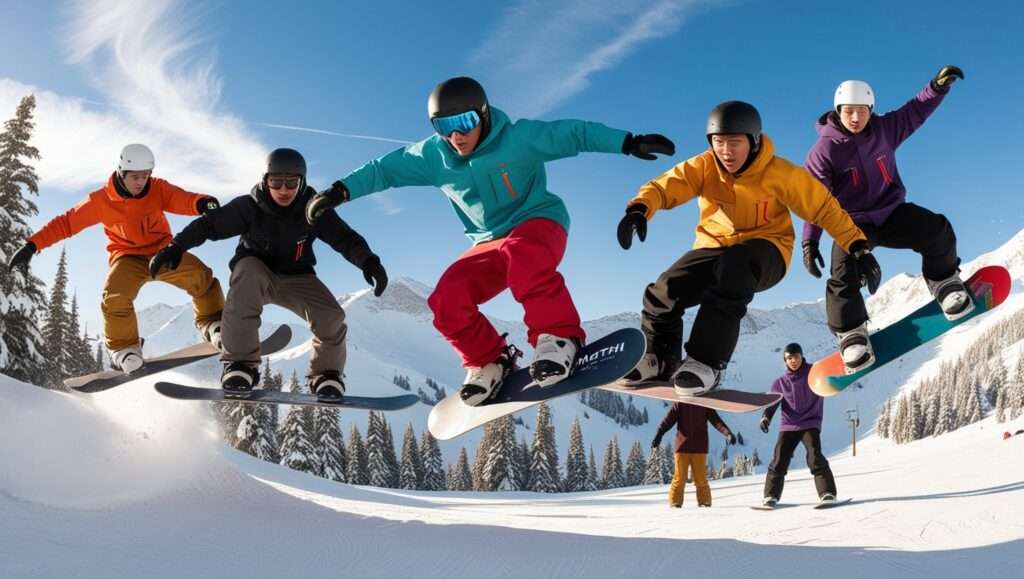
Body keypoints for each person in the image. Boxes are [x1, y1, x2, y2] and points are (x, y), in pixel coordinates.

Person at [305, 76, 675, 406]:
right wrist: (340, 191)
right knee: (446, 297)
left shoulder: (519, 138)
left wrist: (627, 142)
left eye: (464, 122)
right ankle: (487, 359)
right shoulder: (434, 156)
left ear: (482, 114)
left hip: (539, 222)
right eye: (443, 126)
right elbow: (384, 170)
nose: (456, 135)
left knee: (523, 257)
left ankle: (559, 337)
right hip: (487, 243)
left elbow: (573, 133)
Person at [617, 101, 878, 395]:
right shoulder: (704, 166)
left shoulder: (780, 173)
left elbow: (823, 207)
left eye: (734, 143)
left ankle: (705, 363)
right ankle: (659, 358)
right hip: (714, 246)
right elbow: (667, 185)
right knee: (666, 287)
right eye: (719, 143)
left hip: (767, 250)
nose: (726, 152)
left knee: (735, 265)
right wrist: (639, 209)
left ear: (753, 142)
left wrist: (857, 245)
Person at [149, 148, 388, 401]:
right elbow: (209, 225)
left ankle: (326, 376)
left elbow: (344, 238)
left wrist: (369, 262)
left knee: (331, 316)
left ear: (302, 182)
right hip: (256, 272)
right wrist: (176, 247)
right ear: (265, 181)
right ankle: (240, 366)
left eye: (291, 183)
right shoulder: (249, 206)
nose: (283, 190)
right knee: (246, 276)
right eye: (276, 182)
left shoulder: (314, 208)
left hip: (298, 276)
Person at [802, 65, 969, 373]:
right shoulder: (823, 150)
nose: (855, 118)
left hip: (891, 211)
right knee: (843, 269)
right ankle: (851, 333)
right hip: (852, 224)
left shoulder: (884, 130)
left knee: (936, 230)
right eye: (849, 111)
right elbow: (815, 199)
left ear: (871, 110)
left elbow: (915, 111)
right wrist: (810, 241)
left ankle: (944, 282)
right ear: (838, 111)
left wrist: (937, 87)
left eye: (862, 111)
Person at [6, 144, 223, 374]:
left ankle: (213, 323)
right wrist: (32, 246)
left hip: (162, 252)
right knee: (114, 296)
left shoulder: (157, 188)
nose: (141, 182)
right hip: (127, 257)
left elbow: (183, 199)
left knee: (201, 276)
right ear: (121, 172)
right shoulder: (100, 200)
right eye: (136, 177)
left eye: (146, 176)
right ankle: (125, 349)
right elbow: (66, 223)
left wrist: (203, 203)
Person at [759, 342, 837, 507]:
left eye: (796, 357)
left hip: (810, 421)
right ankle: (770, 496)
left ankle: (827, 493)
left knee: (814, 455)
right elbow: (772, 402)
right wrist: (766, 417)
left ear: (802, 356)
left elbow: (830, 374)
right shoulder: (779, 383)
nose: (793, 360)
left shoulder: (814, 373)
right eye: (789, 358)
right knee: (779, 458)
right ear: (785, 361)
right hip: (789, 424)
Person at [651, 401, 736, 508]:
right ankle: (675, 503)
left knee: (700, 479)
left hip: (699, 448)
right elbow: (668, 420)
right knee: (680, 478)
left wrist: (727, 433)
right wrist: (659, 434)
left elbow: (716, 421)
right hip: (683, 447)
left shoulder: (704, 403)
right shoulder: (680, 403)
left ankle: (704, 503)